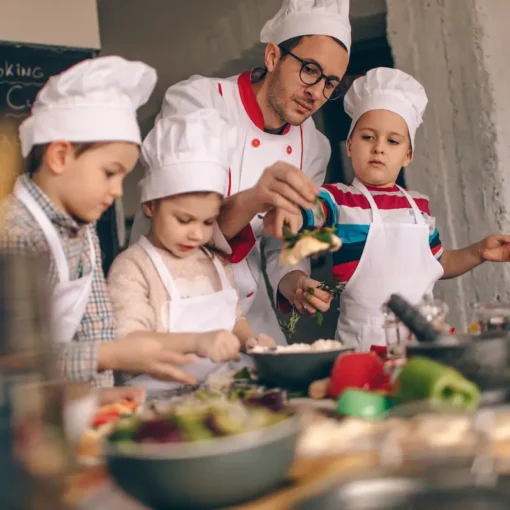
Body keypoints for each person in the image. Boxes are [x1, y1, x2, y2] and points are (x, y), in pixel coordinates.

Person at [129, 0, 352, 345]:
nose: (316, 92)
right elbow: (186, 232)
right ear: (273, 56)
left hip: (250, 318)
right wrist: (255, 199)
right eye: (310, 69)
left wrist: (294, 282)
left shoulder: (315, 146)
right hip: (175, 307)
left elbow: (283, 242)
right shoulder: (200, 103)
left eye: (330, 84)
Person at [263, 67, 510, 351]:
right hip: (365, 347)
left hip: (424, 344)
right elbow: (309, 212)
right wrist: (291, 214)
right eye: (368, 137)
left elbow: (438, 263)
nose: (379, 148)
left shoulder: (419, 206)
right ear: (350, 145)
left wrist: (480, 252)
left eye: (392, 141)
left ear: (407, 155)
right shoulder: (339, 199)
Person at [0, 56, 201, 388]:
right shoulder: (16, 233)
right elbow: (15, 359)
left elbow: (98, 327)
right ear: (60, 156)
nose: (117, 191)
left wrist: (102, 399)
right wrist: (113, 355)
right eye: (110, 173)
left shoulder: (84, 230)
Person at [108, 109, 276, 389]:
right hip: (156, 397)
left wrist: (252, 342)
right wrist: (197, 342)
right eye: (184, 220)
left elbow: (235, 320)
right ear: (150, 206)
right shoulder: (133, 267)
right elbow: (129, 342)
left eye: (208, 221)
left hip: (221, 391)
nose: (197, 233)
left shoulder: (215, 260)